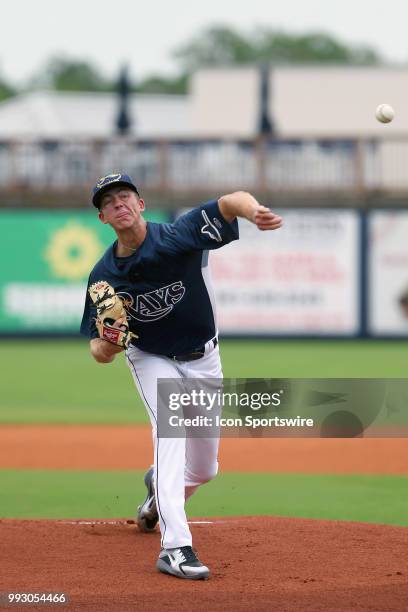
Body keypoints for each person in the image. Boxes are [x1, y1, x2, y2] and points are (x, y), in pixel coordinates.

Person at [80, 172, 283, 580]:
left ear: (140, 204)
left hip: (205, 356)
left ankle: (157, 496)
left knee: (205, 469)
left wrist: (253, 211)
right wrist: (112, 341)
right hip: (151, 358)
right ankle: (174, 548)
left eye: (125, 196)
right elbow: (99, 352)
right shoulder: (104, 277)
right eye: (108, 202)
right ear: (103, 218)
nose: (118, 203)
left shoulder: (179, 235)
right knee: (169, 435)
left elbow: (231, 200)